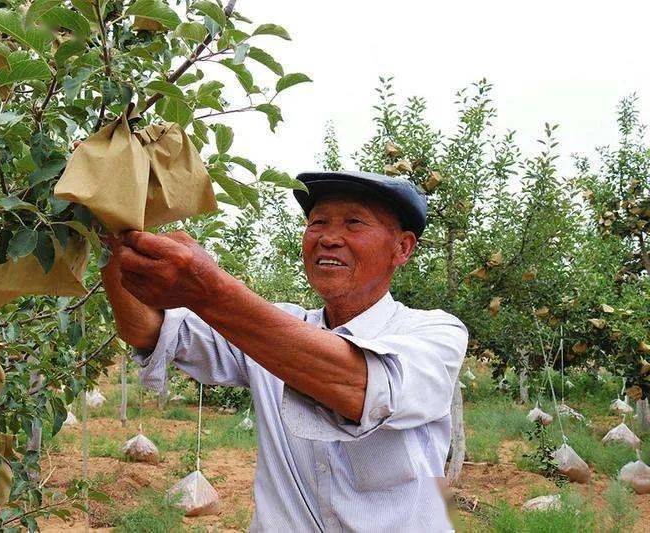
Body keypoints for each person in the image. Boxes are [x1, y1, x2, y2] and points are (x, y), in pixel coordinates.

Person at [101, 170, 468, 532]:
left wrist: (209, 291)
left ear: (401, 248)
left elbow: (361, 386)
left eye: (354, 223)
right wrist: (112, 231)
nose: (328, 238)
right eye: (317, 222)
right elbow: (146, 329)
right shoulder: (270, 326)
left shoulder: (435, 333)